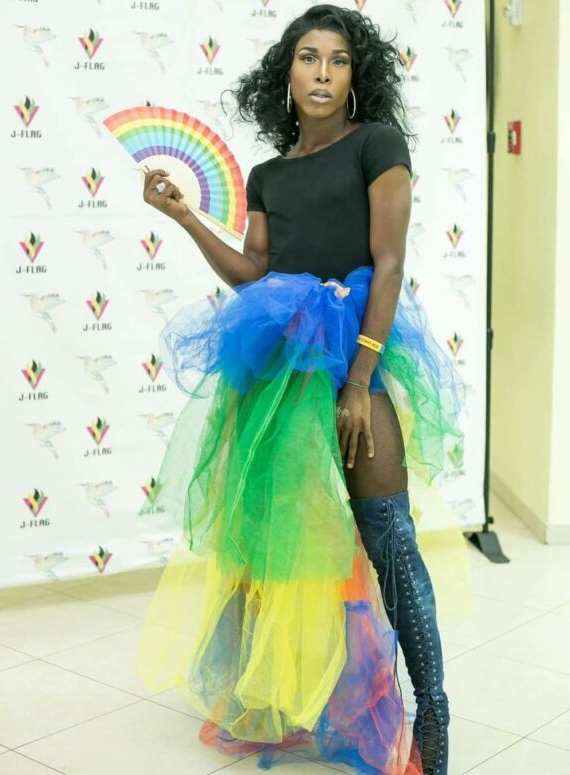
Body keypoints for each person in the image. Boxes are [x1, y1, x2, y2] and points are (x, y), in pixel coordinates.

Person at [138, 6, 464, 775]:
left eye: (339, 59)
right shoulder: (268, 174)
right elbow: (256, 271)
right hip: (281, 374)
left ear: (358, 75)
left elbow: (387, 263)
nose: (322, 72)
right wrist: (185, 216)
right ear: (284, 72)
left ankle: (434, 716)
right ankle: (311, 700)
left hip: (356, 356)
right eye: (307, 57)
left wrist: (359, 381)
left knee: (390, 543)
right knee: (283, 552)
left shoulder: (378, 145)